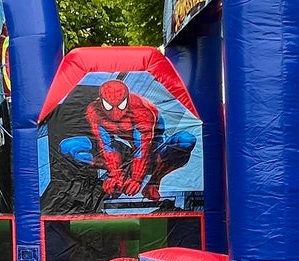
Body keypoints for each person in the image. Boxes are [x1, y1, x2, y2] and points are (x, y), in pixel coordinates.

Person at [59, 77, 196, 200]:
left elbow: (143, 149)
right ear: (101, 101)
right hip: (124, 150)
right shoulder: (94, 111)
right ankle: (122, 173)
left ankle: (154, 182)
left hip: (153, 148)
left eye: (120, 105)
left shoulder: (141, 111)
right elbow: (105, 144)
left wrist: (136, 179)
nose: (115, 112)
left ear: (127, 100)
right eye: (109, 106)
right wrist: (115, 173)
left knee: (186, 140)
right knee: (68, 146)